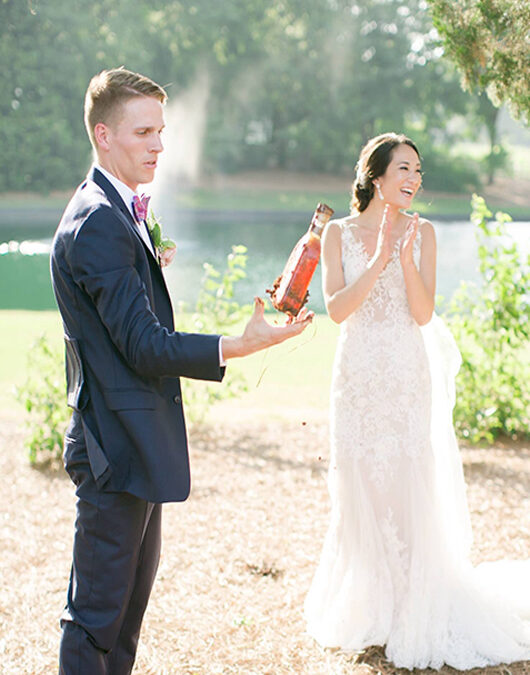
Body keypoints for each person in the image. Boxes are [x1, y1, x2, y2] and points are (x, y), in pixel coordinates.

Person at [50, 67, 313, 675]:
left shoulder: (118, 213)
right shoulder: (97, 222)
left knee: (124, 621)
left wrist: (149, 259)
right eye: (143, 132)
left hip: (132, 439)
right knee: (94, 621)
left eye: (162, 132)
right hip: (111, 444)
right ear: (104, 135)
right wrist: (237, 345)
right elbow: (143, 346)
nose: (159, 146)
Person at [304, 132, 530, 670]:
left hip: (407, 372)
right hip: (357, 374)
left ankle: (414, 604)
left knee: (408, 478)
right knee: (361, 478)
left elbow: (424, 313)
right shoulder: (337, 234)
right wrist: (380, 255)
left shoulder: (424, 232)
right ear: (376, 176)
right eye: (403, 169)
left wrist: (403, 259)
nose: (413, 180)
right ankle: (373, 604)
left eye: (418, 172)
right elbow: (337, 311)